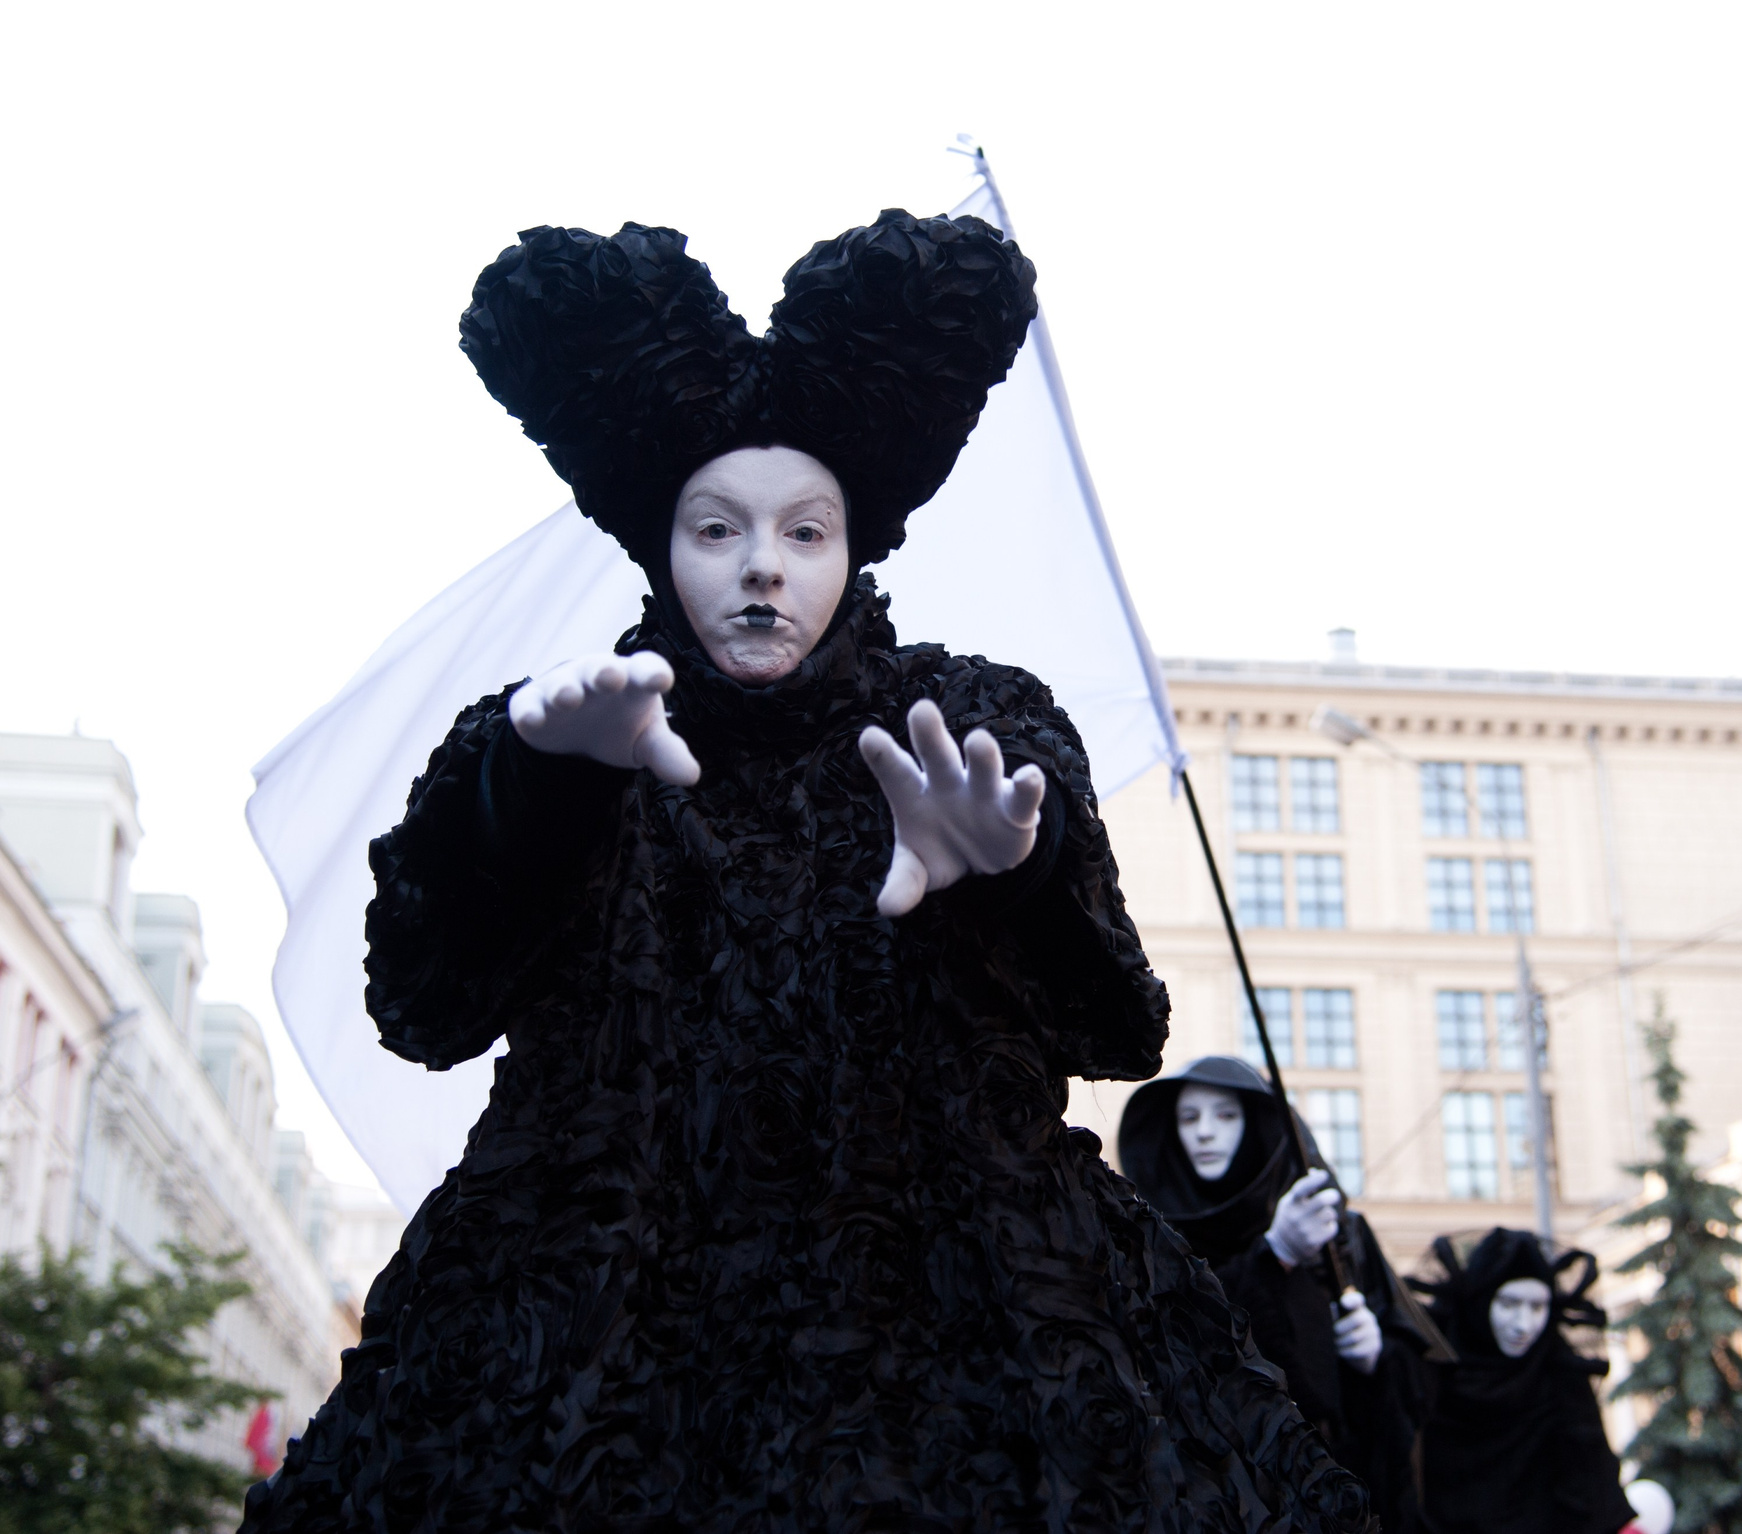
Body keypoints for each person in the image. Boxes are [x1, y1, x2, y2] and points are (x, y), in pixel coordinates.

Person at [237, 214, 1372, 1533]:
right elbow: (423, 1003)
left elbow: (1114, 1022)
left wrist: (1016, 861)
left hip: (948, 1331)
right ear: (664, 544)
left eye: (805, 530)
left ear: (853, 546)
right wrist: (526, 789)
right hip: (597, 1327)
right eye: (718, 527)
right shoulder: (570, 725)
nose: (762, 563)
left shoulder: (973, 717)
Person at [1119, 1057, 1439, 1533]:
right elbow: (1174, 1351)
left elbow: (1421, 1382)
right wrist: (1274, 1256)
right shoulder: (1156, 1238)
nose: (1205, 1132)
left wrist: (1377, 1355)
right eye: (1189, 1117)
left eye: (1226, 1115)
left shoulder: (1338, 1234)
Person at [1411, 1228, 1637, 1534]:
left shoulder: (1562, 1378)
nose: (1523, 1325)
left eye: (1537, 1307)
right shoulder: (1430, 1376)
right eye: (1509, 1303)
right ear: (1481, 1300)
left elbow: (1595, 1491)